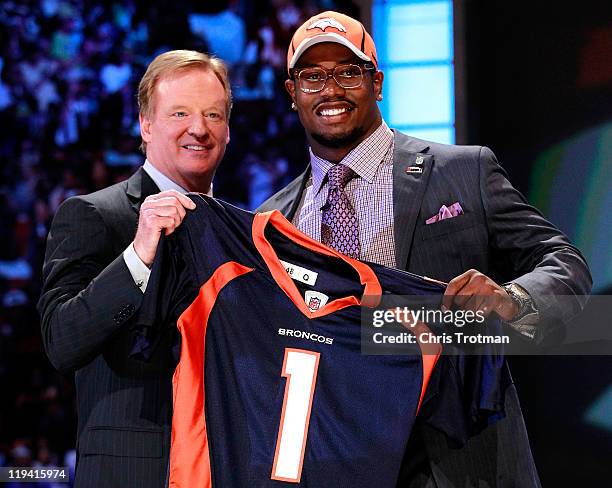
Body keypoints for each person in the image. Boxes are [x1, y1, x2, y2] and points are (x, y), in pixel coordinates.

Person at [258, 11, 592, 487]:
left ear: (376, 82)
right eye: (313, 77)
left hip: (458, 456)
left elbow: (565, 262)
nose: (330, 90)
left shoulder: (463, 170)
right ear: (293, 94)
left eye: (348, 72)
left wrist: (512, 298)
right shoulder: (274, 220)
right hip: (336, 457)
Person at [37, 50, 231, 487]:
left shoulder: (242, 233)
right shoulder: (93, 215)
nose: (199, 129)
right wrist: (137, 256)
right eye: (179, 113)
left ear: (228, 129)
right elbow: (61, 341)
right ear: (146, 124)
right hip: (131, 474)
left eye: (213, 115)